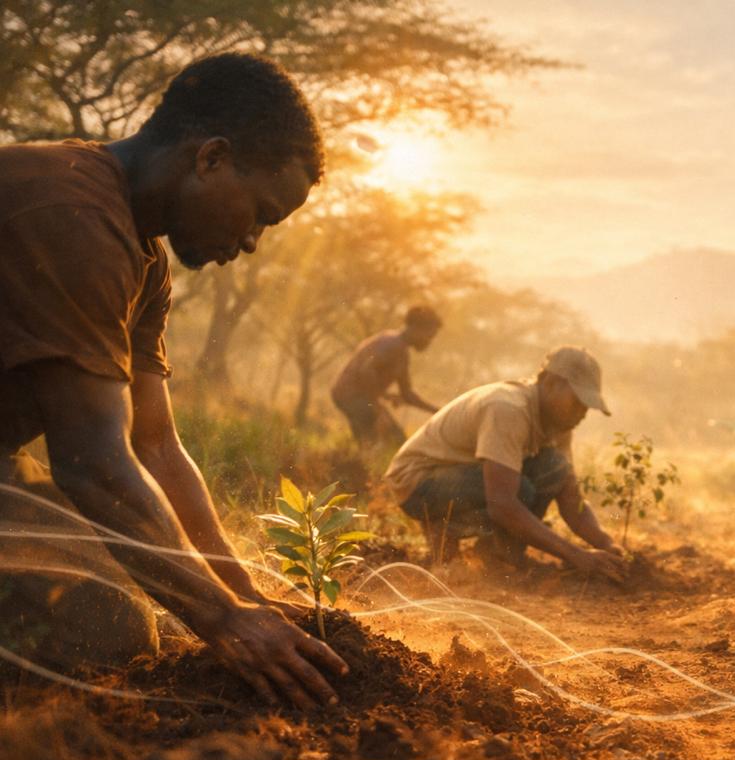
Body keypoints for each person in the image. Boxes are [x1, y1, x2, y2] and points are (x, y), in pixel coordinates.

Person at [0, 53, 348, 706]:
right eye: (262, 215)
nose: (252, 242)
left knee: (130, 586)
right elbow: (94, 468)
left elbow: (154, 443)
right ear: (210, 158)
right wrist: (221, 620)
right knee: (108, 625)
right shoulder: (74, 216)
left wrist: (240, 591)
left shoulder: (143, 258)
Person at [385, 346, 629, 582]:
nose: (582, 413)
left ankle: (498, 555)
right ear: (550, 383)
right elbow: (501, 503)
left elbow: (571, 500)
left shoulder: (559, 423)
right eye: (577, 402)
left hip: (462, 477)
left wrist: (607, 544)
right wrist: (577, 556)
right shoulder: (507, 408)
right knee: (519, 491)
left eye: (587, 406)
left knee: (554, 468)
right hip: (417, 482)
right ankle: (444, 528)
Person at [331, 305, 441, 446]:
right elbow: (366, 369)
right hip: (350, 395)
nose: (429, 341)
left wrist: (439, 411)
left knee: (394, 440)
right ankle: (356, 460)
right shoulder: (391, 344)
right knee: (389, 440)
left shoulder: (402, 352)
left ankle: (355, 459)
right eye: (429, 335)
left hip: (359, 398)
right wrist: (377, 405)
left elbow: (407, 394)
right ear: (416, 328)